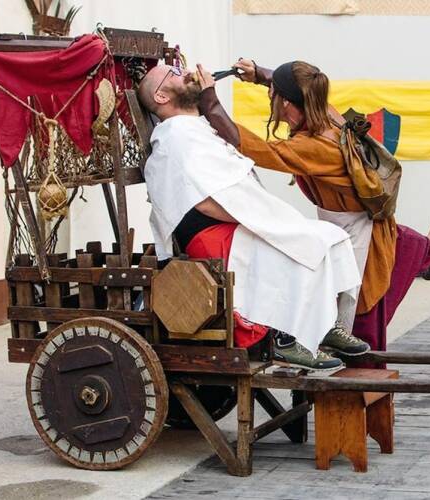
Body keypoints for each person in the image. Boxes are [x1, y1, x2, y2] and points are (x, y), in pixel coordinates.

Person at [198, 59, 430, 359]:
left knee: (354, 319)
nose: (270, 96)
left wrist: (209, 101)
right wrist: (259, 74)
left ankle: (347, 374)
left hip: (357, 233)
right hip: (345, 226)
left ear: (286, 102)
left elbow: (257, 149)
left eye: (273, 92)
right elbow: (301, 85)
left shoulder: (317, 146)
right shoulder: (325, 114)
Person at [137, 64, 370, 371]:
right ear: (161, 96)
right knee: (297, 244)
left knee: (331, 237)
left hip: (236, 220)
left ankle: (323, 324)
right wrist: (260, 223)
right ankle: (284, 339)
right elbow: (202, 200)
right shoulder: (175, 137)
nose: (187, 71)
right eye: (175, 73)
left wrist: (265, 219)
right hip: (213, 231)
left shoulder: (196, 128)